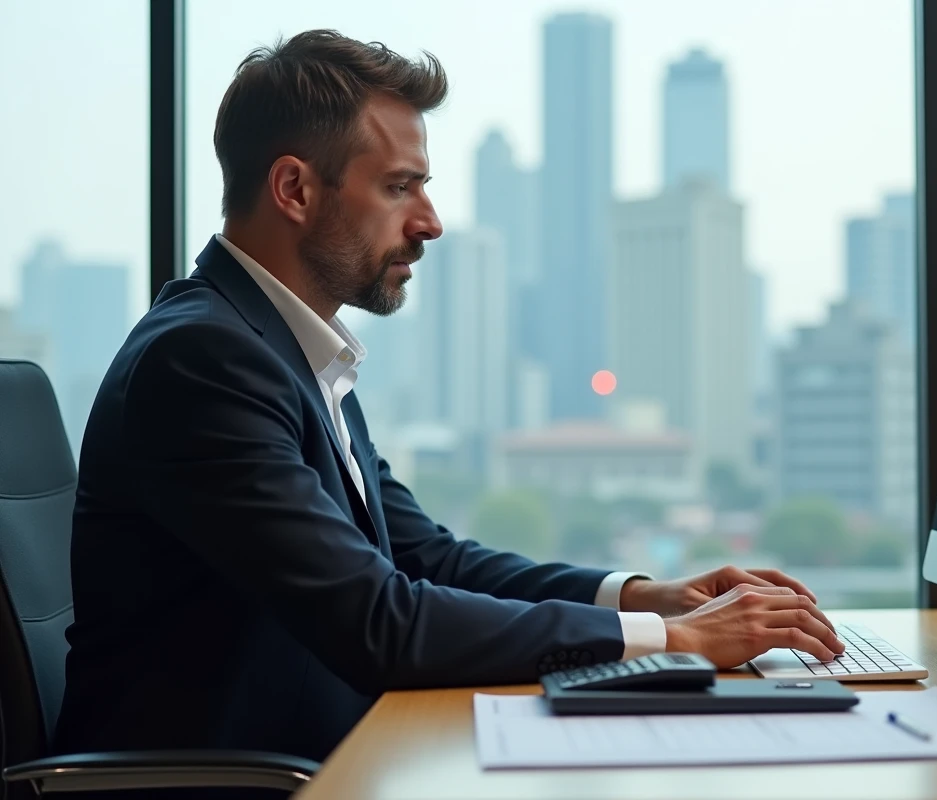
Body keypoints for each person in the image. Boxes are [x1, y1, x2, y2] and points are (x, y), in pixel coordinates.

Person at [53, 29, 844, 764]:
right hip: (242, 781)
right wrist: (676, 638)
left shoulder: (285, 350)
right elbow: (379, 622)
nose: (430, 223)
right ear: (294, 188)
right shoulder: (204, 361)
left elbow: (427, 559)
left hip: (333, 757)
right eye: (400, 188)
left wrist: (644, 595)